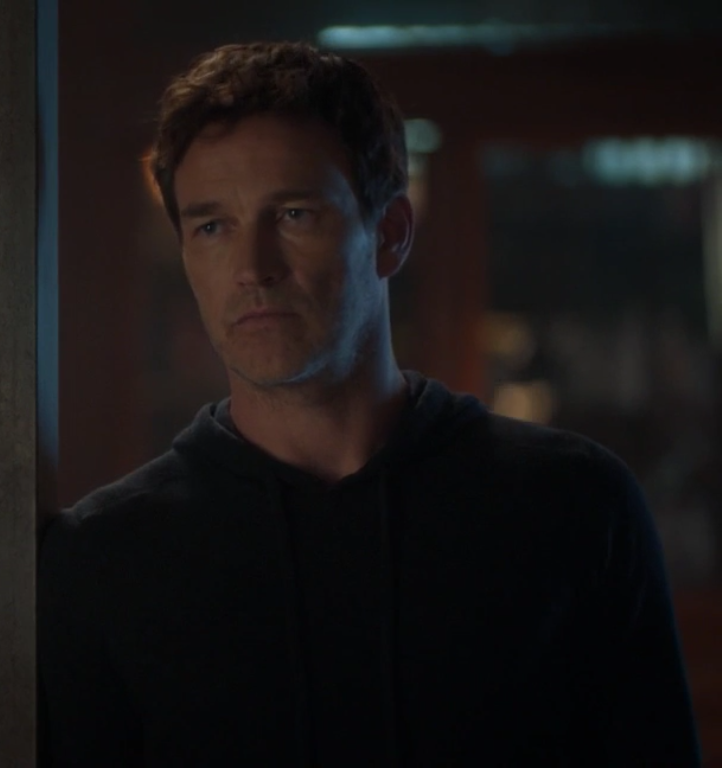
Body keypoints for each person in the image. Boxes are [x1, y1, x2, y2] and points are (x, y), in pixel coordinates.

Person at [37, 41, 701, 767]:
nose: (252, 268)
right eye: (212, 227)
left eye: (294, 214)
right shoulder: (105, 559)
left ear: (390, 235)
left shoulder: (573, 506)